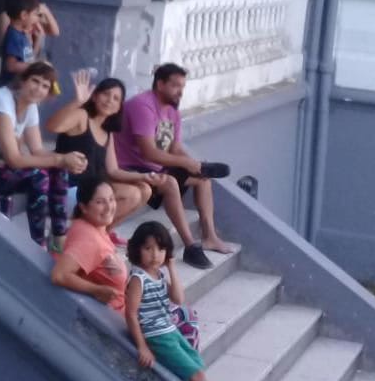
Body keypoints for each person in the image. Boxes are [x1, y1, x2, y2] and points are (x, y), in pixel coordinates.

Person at [125, 221, 263, 381]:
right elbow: (131, 313)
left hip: (169, 331)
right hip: (157, 336)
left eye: (161, 249)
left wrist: (171, 268)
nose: (155, 255)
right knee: (196, 373)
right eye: (148, 248)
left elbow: (178, 298)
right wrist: (142, 346)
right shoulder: (139, 278)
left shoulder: (158, 275)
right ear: (137, 249)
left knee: (196, 364)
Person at [0, 61, 86, 250]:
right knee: (42, 175)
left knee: (58, 169)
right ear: (22, 81)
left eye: (45, 86)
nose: (38, 89)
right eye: (35, 81)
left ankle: (56, 238)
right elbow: (14, 159)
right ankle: (37, 245)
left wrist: (68, 159)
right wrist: (60, 159)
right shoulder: (1, 102)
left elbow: (38, 150)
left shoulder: (30, 107)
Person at [114, 63, 234, 271]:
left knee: (203, 179)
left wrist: (195, 166)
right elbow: (149, 152)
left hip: (155, 168)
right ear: (160, 84)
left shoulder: (172, 112)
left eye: (182, 86)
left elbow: (175, 148)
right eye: (175, 86)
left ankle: (210, 237)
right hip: (130, 169)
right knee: (170, 183)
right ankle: (190, 246)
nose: (180, 91)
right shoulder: (142, 106)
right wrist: (186, 163)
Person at [45, 70, 154, 231]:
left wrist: (145, 176)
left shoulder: (107, 132)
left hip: (92, 192)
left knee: (145, 190)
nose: (110, 100)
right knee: (132, 194)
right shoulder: (82, 116)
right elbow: (52, 126)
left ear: (119, 107)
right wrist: (77, 101)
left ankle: (104, 233)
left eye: (116, 98)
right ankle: (92, 232)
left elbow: (113, 171)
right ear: (95, 96)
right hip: (68, 190)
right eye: (106, 94)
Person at [51, 177, 129, 311]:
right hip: (110, 315)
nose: (109, 207)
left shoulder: (94, 227)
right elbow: (59, 275)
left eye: (111, 199)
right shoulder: (89, 239)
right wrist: (96, 290)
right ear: (84, 207)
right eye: (100, 202)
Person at [0, 0, 43, 85]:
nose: (38, 19)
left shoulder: (22, 35)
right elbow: (11, 66)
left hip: (19, 87)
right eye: (35, 14)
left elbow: (29, 59)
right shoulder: (14, 37)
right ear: (24, 15)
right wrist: (37, 67)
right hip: (10, 87)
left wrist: (38, 41)